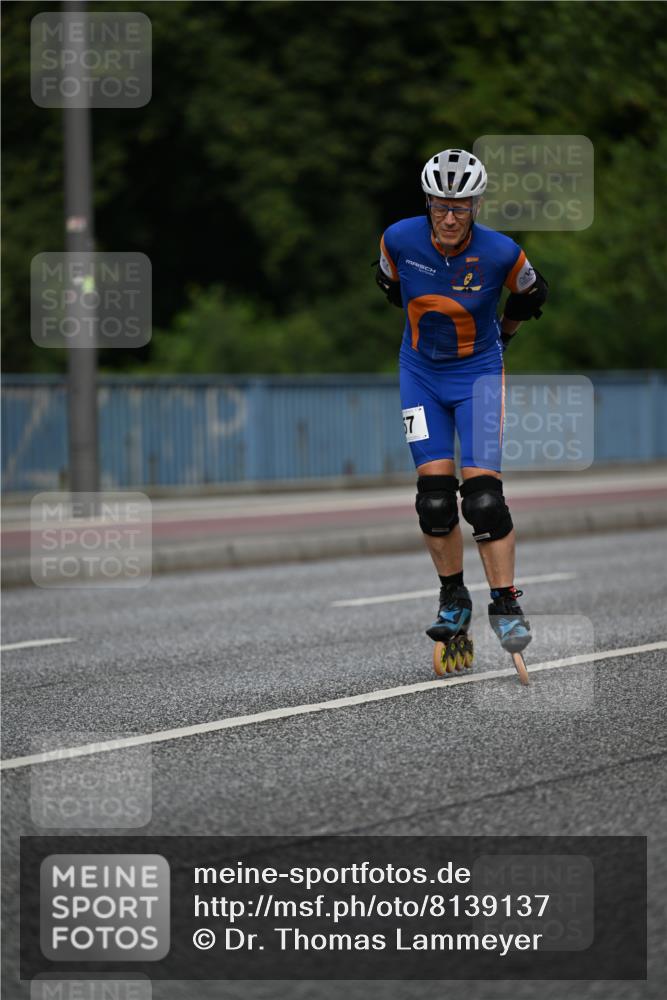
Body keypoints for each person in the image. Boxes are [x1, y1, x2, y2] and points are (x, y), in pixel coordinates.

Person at [374, 148, 548, 671]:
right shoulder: (397, 239)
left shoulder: (501, 253)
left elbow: (532, 294)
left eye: (462, 206)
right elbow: (388, 285)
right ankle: (454, 598)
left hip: (477, 377)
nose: (450, 217)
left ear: (476, 205)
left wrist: (505, 337)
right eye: (441, 205)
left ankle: (505, 602)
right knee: (433, 501)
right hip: (420, 376)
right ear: (427, 203)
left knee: (484, 502)